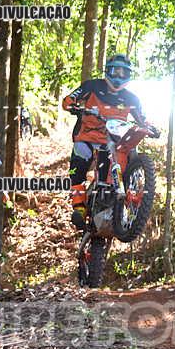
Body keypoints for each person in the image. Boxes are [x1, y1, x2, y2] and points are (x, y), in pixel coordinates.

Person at [62, 54, 148, 229]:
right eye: (115, 71)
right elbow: (70, 99)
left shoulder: (132, 99)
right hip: (88, 137)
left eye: (123, 73)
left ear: (129, 75)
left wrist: (150, 127)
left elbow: (142, 119)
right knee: (78, 160)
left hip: (114, 143)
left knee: (130, 155)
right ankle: (79, 206)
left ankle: (123, 203)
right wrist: (72, 104)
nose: (119, 76)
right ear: (108, 70)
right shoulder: (92, 86)